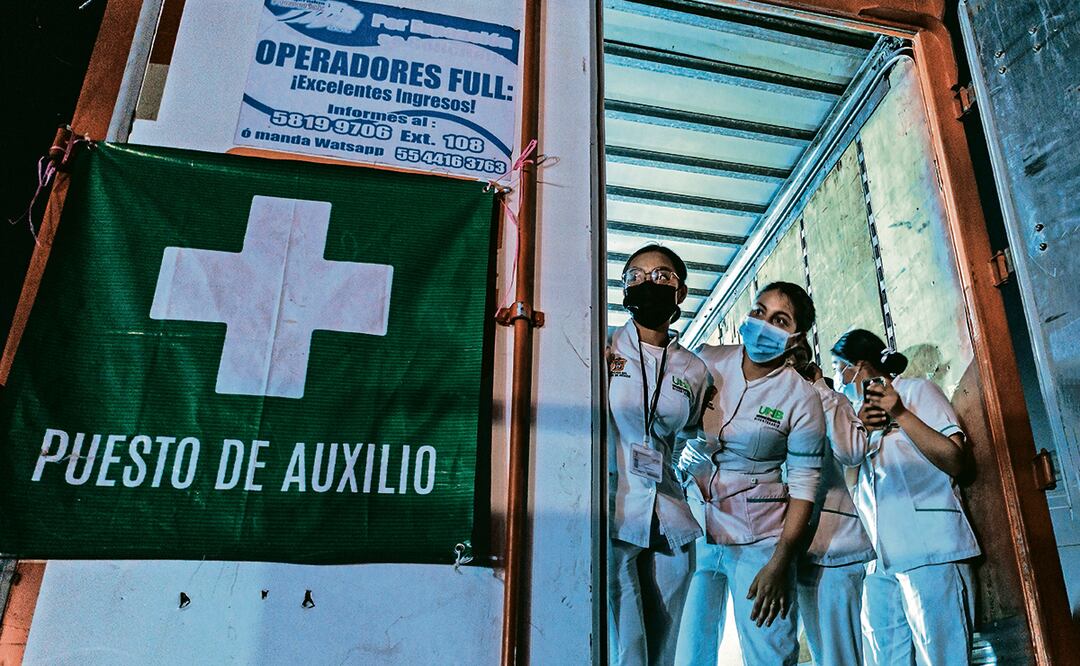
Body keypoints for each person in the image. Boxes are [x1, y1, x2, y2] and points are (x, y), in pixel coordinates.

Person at [675, 282, 825, 666]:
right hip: (697, 526)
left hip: (759, 539)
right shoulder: (706, 361)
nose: (764, 325)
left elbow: (805, 487)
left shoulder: (801, 397)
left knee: (768, 652)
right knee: (687, 650)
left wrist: (779, 562)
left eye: (780, 320)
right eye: (759, 312)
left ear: (795, 338)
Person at [830, 329, 980, 666]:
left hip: (931, 549)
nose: (839, 379)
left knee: (943, 657)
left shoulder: (917, 391)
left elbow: (956, 461)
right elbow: (852, 487)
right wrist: (864, 433)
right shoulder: (855, 420)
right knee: (885, 658)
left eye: (839, 368)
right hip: (880, 559)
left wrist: (900, 414)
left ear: (859, 366)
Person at [608, 245, 712, 666]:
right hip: (616, 508)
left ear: (681, 292)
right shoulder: (604, 346)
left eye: (661, 275)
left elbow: (697, 436)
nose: (648, 282)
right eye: (636, 275)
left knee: (663, 653)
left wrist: (681, 470)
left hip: (669, 512)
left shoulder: (694, 369)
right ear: (624, 289)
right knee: (627, 648)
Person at [789, 341, 875, 666]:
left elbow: (851, 451)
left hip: (837, 550)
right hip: (795, 553)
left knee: (842, 657)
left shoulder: (833, 400)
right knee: (820, 654)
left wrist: (818, 391)